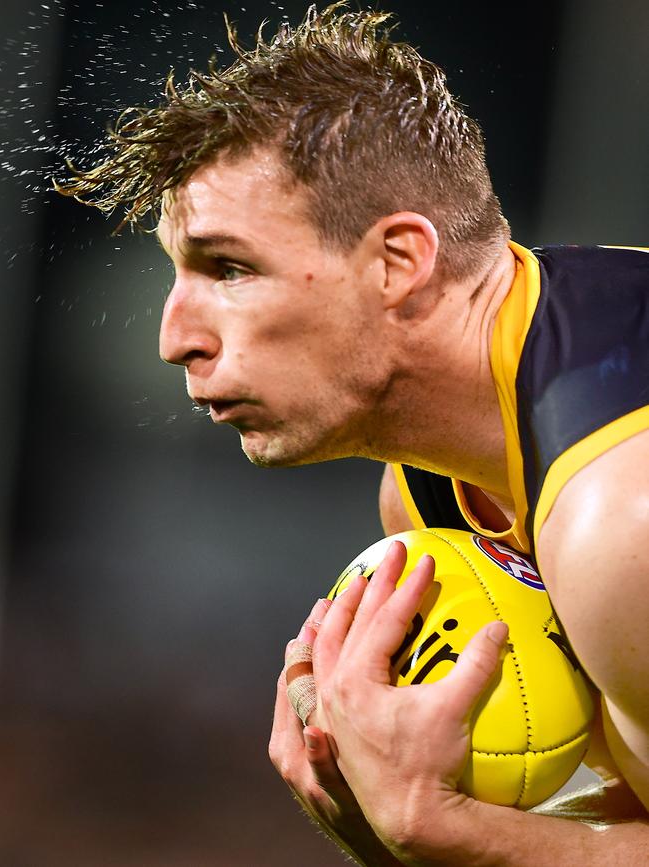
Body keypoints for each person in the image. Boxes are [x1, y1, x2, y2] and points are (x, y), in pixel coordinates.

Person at [55, 4, 649, 863]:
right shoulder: (427, 489)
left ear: (399, 261)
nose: (173, 336)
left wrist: (452, 833)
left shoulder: (620, 513)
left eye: (230, 268)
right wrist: (395, 828)